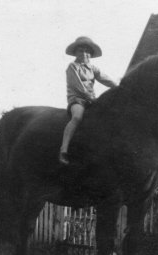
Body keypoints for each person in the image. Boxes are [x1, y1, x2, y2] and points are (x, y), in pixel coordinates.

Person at [59, 36, 117, 165]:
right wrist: (91, 98)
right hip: (78, 99)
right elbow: (77, 86)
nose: (85, 54)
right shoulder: (72, 66)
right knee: (77, 117)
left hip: (91, 99)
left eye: (87, 51)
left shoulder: (92, 68)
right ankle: (64, 149)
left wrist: (119, 86)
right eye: (81, 51)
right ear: (75, 53)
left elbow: (105, 79)